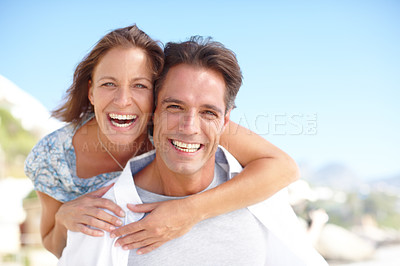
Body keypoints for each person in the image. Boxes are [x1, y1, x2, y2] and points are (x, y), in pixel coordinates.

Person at [24, 25, 299, 258]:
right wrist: (64, 220)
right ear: (91, 91)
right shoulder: (52, 157)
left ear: (155, 97)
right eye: (109, 84)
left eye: (139, 85)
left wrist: (189, 212)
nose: (123, 101)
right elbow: (55, 247)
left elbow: (283, 168)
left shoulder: (179, 123)